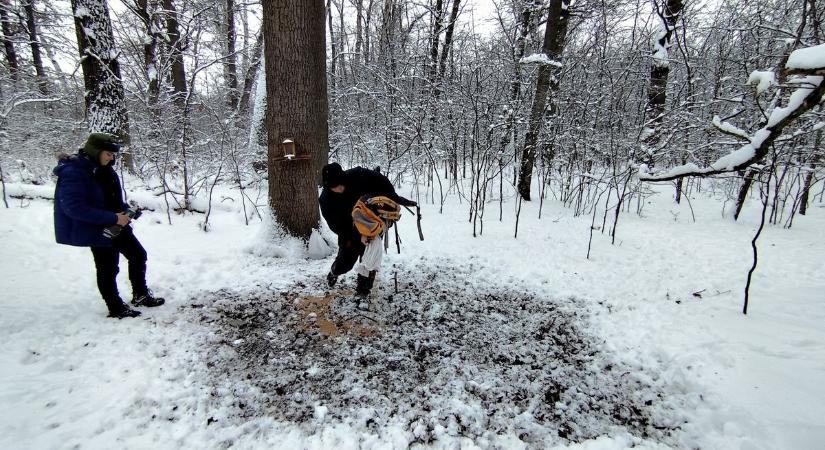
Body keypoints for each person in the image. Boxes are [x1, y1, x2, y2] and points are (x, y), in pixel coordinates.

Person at [53, 133, 165, 319]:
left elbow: (111, 199)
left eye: (113, 154)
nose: (111, 158)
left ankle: (140, 295)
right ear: (95, 151)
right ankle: (115, 307)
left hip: (116, 224)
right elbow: (73, 208)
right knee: (108, 268)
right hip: (96, 228)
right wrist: (113, 217)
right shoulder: (75, 173)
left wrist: (127, 211)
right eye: (108, 153)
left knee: (138, 255)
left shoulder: (105, 169)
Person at [319, 162, 410, 297]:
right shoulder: (326, 200)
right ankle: (334, 272)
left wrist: (394, 199)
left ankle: (363, 292)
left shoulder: (358, 175)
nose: (339, 188)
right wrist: (357, 235)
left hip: (371, 225)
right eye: (334, 187)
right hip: (348, 231)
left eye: (340, 184)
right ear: (328, 186)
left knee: (369, 261)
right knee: (345, 263)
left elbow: (382, 181)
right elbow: (336, 226)